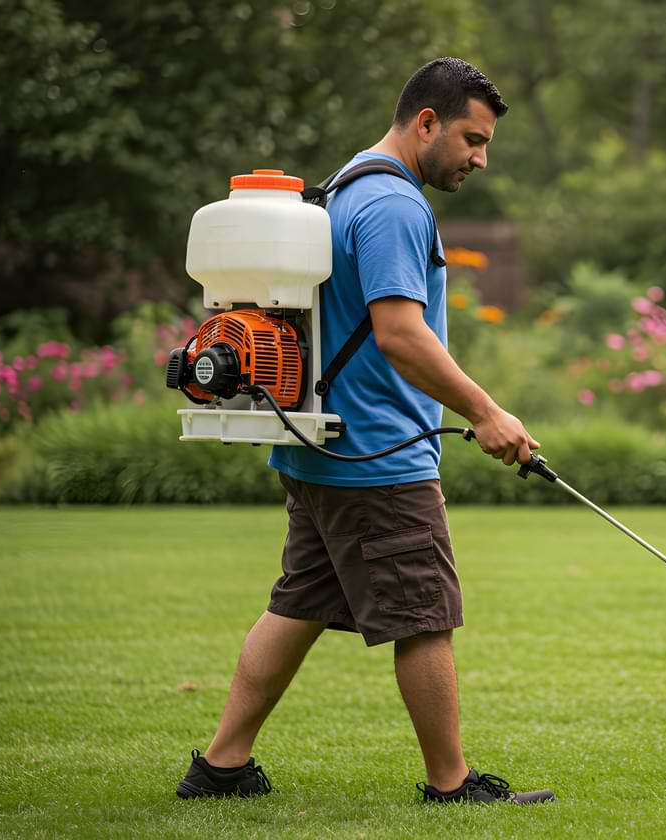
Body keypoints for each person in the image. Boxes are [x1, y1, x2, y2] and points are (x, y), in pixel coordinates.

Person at [176, 57, 554, 806]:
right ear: (425, 123)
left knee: (300, 602)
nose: (480, 158)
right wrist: (485, 411)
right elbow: (400, 334)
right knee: (425, 619)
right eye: (472, 140)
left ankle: (220, 766)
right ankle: (452, 786)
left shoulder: (345, 183)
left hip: (324, 448)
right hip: (377, 456)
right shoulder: (394, 206)